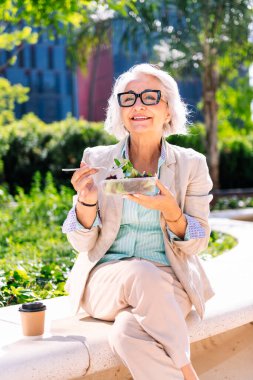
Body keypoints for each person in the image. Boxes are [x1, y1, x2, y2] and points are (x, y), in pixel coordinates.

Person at [62, 63, 214, 380]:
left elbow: (199, 241)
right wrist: (87, 200)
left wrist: (172, 210)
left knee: (127, 333)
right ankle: (188, 370)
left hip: (168, 282)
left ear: (169, 109)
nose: (138, 105)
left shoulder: (191, 164)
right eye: (128, 98)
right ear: (119, 111)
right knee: (138, 271)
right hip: (105, 281)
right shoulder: (97, 159)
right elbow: (80, 242)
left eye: (149, 96)